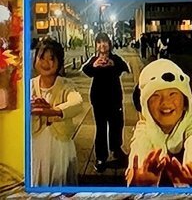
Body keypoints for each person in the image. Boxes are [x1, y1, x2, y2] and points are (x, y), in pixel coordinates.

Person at [126, 58, 192, 187]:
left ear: (185, 102)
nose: (165, 102)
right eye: (156, 95)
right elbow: (139, 145)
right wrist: (139, 174)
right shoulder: (145, 128)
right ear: (145, 105)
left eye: (173, 93)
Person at [30, 38, 84, 186]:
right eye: (42, 58)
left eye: (52, 58)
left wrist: (54, 111)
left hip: (60, 144)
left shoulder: (66, 85)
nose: (46, 63)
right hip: (36, 144)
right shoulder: (30, 86)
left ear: (59, 62)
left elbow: (77, 103)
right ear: (35, 60)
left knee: (60, 180)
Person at [82, 32, 131, 171]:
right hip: (98, 99)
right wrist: (94, 65)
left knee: (117, 125)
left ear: (109, 44)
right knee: (101, 128)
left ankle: (116, 149)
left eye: (105, 42)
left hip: (115, 98)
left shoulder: (115, 58)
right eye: (99, 42)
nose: (102, 45)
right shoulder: (93, 59)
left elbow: (125, 68)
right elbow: (86, 70)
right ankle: (101, 157)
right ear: (96, 45)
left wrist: (112, 64)